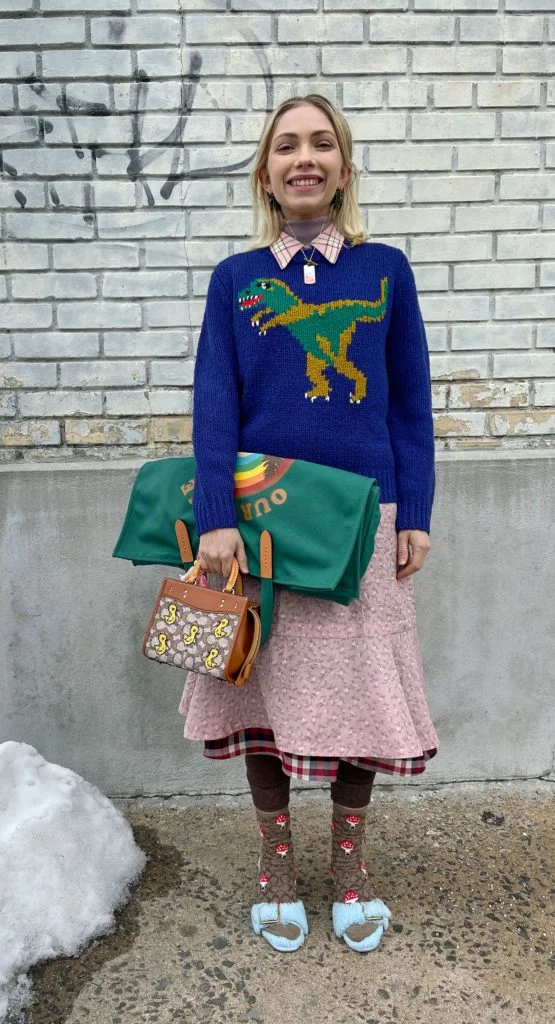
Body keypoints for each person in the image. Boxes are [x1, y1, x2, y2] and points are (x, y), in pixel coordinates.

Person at [177, 94, 439, 954]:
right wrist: (215, 515)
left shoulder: (384, 270)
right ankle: (277, 870)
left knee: (360, 691)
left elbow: (408, 403)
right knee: (262, 687)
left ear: (343, 167)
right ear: (265, 172)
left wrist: (415, 512)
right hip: (261, 520)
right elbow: (214, 400)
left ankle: (350, 872)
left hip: (366, 515)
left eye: (321, 143)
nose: (304, 157)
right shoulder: (235, 278)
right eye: (286, 145)